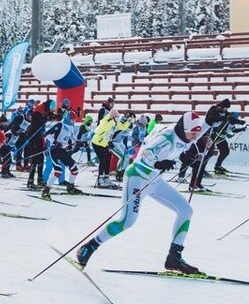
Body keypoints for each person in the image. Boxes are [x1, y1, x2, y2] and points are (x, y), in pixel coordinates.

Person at [75, 111, 209, 273]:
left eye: (196, 134)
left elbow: (199, 131)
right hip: (137, 177)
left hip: (155, 181)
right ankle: (88, 247)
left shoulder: (185, 134)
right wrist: (158, 163)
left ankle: (174, 257)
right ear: (185, 128)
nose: (195, 137)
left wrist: (210, 121)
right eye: (193, 133)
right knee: (127, 221)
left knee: (185, 210)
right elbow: (147, 153)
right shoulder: (167, 137)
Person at [39, 110, 82, 201]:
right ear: (69, 119)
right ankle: (45, 190)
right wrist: (55, 142)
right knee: (58, 171)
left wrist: (79, 142)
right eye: (73, 119)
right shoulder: (60, 125)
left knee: (74, 169)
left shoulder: (70, 127)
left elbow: (72, 136)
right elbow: (46, 134)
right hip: (54, 150)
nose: (74, 121)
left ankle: (70, 187)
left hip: (62, 150)